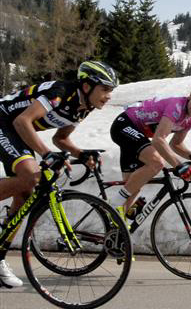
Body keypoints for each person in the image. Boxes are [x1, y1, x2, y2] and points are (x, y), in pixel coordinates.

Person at [0, 61, 118, 288]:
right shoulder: (60, 93)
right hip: (4, 121)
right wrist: (46, 154)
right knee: (31, 176)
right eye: (104, 89)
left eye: (111, 90)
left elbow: (60, 139)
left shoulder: (85, 107)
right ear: (86, 86)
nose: (108, 96)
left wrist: (80, 153)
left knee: (27, 192)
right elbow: (21, 120)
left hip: (16, 130)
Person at [109, 79, 191, 219]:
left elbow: (176, 144)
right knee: (157, 162)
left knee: (133, 185)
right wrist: (179, 166)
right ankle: (112, 205)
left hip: (137, 133)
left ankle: (116, 231)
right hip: (125, 125)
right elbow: (158, 139)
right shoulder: (176, 106)